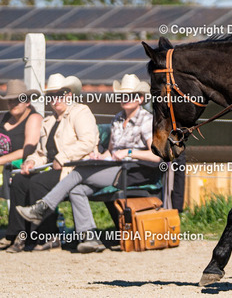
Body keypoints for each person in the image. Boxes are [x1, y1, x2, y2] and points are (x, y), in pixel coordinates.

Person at [16, 74, 161, 253]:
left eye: (130, 95)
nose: (125, 99)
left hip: (136, 171)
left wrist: (129, 152)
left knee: (78, 172)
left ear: (140, 98)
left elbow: (156, 156)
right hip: (114, 169)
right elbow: (110, 152)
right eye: (122, 95)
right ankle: (90, 238)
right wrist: (98, 156)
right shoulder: (117, 119)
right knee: (77, 189)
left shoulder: (147, 120)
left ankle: (42, 207)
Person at [2, 74, 99, 252]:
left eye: (59, 94)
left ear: (69, 95)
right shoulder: (49, 121)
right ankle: (19, 234)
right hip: (54, 168)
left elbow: (88, 142)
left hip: (75, 169)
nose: (55, 100)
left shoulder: (80, 112)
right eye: (51, 96)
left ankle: (48, 235)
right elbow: (41, 153)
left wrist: (62, 157)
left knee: (37, 182)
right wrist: (31, 161)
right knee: (19, 181)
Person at [0, 80, 43, 250]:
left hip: (20, 165)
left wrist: (1, 160)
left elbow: (27, 150)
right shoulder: (5, 118)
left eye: (18, 100)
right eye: (10, 100)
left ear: (27, 101)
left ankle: (15, 233)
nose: (13, 104)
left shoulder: (34, 118)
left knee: (14, 177)